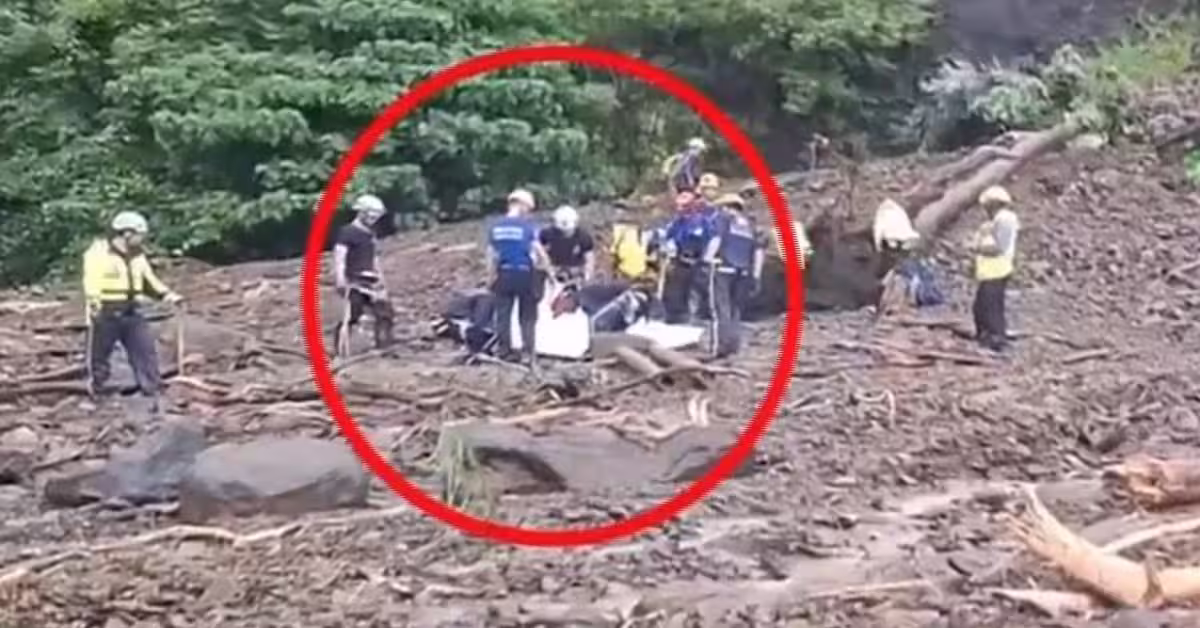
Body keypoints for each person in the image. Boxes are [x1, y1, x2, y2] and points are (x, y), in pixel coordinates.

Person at [82, 211, 184, 416]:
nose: (141, 239)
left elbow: (148, 281)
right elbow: (91, 279)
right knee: (100, 353)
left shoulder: (137, 256)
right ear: (126, 233)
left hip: (131, 308)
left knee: (145, 349)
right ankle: (100, 392)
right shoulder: (98, 253)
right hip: (106, 309)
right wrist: (94, 301)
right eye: (139, 235)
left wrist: (167, 295)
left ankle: (152, 389)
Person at [487, 188, 551, 366]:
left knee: (503, 316)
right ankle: (528, 353)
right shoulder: (527, 227)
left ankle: (504, 351)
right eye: (528, 209)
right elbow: (540, 253)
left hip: (503, 274)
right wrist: (550, 274)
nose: (528, 213)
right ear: (522, 205)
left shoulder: (495, 227)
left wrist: (490, 277)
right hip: (524, 274)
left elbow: (492, 256)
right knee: (527, 317)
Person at [703, 194, 765, 358]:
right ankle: (734, 346)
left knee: (720, 309)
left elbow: (716, 239)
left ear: (726, 207)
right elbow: (758, 252)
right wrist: (756, 276)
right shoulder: (751, 225)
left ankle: (719, 348)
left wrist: (707, 259)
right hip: (743, 273)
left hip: (723, 268)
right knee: (735, 310)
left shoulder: (724, 220)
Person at [332, 194, 395, 356]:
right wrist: (340, 278)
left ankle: (384, 348)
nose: (374, 219)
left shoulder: (370, 234)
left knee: (385, 313)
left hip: (371, 281)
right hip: (354, 281)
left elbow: (374, 258)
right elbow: (340, 256)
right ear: (362, 212)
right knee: (351, 315)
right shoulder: (348, 232)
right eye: (371, 215)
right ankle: (341, 351)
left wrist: (381, 280)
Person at [970, 185, 1020, 352]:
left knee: (991, 305)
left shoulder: (1004, 219)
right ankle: (985, 335)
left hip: (997, 268)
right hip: (989, 269)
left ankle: (996, 338)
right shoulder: (993, 221)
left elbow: (1000, 246)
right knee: (982, 305)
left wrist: (978, 247)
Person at [660, 189, 715, 324]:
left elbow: (711, 239)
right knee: (675, 290)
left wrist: (706, 258)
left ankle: (701, 317)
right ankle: (675, 317)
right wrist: (667, 247)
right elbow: (668, 237)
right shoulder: (677, 222)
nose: (680, 209)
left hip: (699, 262)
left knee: (699, 291)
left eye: (684, 207)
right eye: (679, 207)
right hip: (680, 260)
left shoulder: (703, 221)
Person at [539, 205, 595, 284]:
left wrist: (587, 276)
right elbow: (539, 253)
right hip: (552, 271)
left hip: (575, 273)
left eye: (568, 231)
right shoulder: (546, 234)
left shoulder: (583, 237)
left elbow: (589, 259)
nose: (565, 233)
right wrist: (548, 269)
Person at [610, 201, 651, 282]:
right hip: (640, 271)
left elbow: (614, 252)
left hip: (626, 271)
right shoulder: (639, 230)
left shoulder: (619, 229)